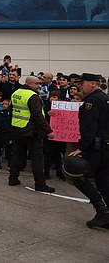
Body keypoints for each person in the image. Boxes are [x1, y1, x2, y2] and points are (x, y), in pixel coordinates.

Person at [65, 73, 109, 228]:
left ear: (93, 84)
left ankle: (103, 211)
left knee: (74, 172)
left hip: (95, 148)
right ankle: (106, 215)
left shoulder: (93, 101)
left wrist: (82, 149)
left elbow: (89, 127)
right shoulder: (103, 98)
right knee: (103, 182)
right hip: (104, 146)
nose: (79, 87)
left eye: (82, 84)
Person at [8, 76, 56, 192]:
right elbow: (37, 115)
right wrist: (48, 130)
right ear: (29, 84)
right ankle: (40, 184)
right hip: (32, 131)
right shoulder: (33, 96)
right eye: (37, 84)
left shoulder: (16, 93)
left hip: (18, 128)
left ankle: (13, 179)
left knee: (17, 155)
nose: (39, 86)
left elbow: (12, 109)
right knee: (37, 159)